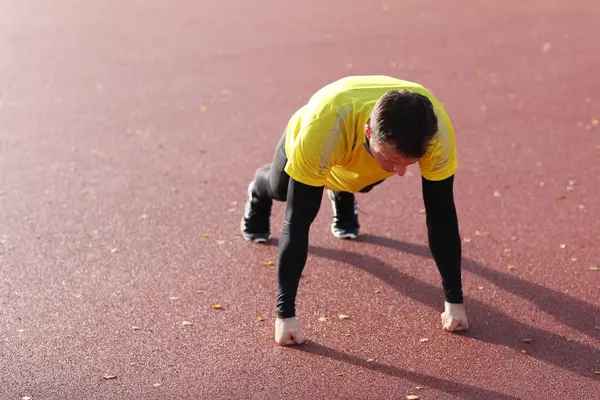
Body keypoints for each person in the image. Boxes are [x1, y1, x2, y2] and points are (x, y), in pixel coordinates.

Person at [240, 75, 468, 346]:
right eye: (394, 159)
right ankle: (258, 190)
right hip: (317, 142)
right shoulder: (324, 128)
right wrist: (284, 315)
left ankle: (342, 190)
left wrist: (454, 301)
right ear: (369, 132)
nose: (401, 172)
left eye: (412, 162)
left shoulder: (435, 130)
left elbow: (441, 215)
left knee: (365, 183)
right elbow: (297, 222)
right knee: (280, 190)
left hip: (352, 156)